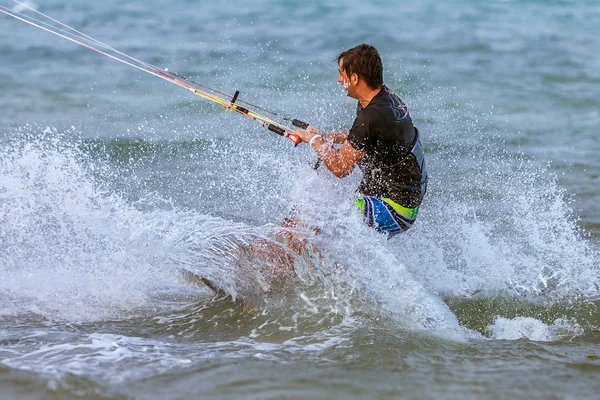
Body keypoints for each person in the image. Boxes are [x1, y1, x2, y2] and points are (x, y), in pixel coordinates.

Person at [293, 44, 428, 238]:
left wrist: (313, 139)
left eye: (342, 74)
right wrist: (326, 137)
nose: (339, 80)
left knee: (318, 213)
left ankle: (296, 261)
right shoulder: (382, 99)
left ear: (354, 78)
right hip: (391, 196)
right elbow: (361, 137)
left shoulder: (372, 116)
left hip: (395, 211)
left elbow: (340, 168)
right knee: (316, 205)